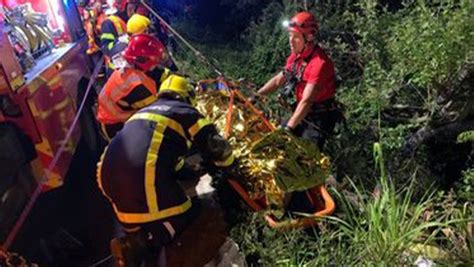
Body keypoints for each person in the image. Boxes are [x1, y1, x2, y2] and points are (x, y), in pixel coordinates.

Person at [96, 75, 242, 266]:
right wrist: (232, 167)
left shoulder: (143, 113)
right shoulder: (186, 112)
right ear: (187, 96)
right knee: (192, 217)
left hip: (107, 177)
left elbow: (157, 152)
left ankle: (134, 243)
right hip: (142, 180)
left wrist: (187, 171)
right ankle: (155, 247)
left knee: (142, 218)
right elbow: (217, 148)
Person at [253, 11, 341, 149]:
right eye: (290, 35)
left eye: (296, 37)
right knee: (273, 141)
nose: (291, 41)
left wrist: (288, 128)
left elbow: (307, 100)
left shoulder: (320, 63)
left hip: (318, 118)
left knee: (306, 156)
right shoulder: (296, 57)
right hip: (302, 113)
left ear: (309, 38)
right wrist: (256, 96)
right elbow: (278, 80)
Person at [96, 34, 171, 141]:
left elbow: (158, 72)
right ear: (142, 60)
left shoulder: (130, 67)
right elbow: (157, 111)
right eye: (155, 58)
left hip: (114, 113)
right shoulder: (137, 86)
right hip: (115, 125)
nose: (157, 62)